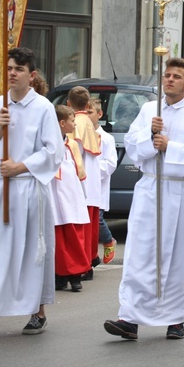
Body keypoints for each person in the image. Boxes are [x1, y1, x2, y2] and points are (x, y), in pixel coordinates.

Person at [104, 57, 184, 341]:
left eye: (177, 76)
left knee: (175, 257)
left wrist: (170, 146)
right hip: (150, 187)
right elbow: (132, 145)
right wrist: (151, 135)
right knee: (141, 254)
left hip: (179, 190)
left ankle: (174, 318)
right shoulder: (149, 110)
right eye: (167, 75)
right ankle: (129, 317)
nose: (169, 80)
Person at [0, 47, 64, 341]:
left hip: (28, 189)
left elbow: (53, 152)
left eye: (19, 69)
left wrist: (20, 166)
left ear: (31, 75)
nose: (12, 73)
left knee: (30, 253)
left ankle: (37, 311)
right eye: (9, 68)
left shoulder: (44, 108)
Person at [51, 105, 91, 292]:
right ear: (61, 123)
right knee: (59, 239)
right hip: (55, 194)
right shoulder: (50, 145)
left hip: (72, 195)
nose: (75, 124)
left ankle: (75, 277)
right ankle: (59, 276)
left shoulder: (72, 144)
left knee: (75, 237)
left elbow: (78, 171)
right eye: (72, 121)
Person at [67, 86, 102, 279]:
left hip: (81, 181)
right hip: (93, 181)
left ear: (68, 103)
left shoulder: (74, 124)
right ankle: (90, 259)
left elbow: (73, 154)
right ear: (88, 104)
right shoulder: (89, 122)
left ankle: (84, 265)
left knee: (81, 228)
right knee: (90, 227)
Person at [88, 98, 118, 265]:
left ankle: (108, 240)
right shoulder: (78, 134)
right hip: (82, 186)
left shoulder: (106, 139)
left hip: (97, 185)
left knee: (97, 219)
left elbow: (110, 164)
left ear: (99, 114)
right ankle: (91, 255)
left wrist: (90, 169)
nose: (86, 115)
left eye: (90, 112)